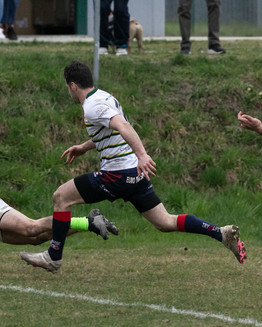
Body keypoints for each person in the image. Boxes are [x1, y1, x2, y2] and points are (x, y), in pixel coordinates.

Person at [19, 61, 247, 273]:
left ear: (72, 85)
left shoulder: (91, 106)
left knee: (61, 197)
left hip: (117, 174)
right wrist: (84, 147)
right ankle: (220, 233)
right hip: (135, 175)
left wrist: (142, 154)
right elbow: (112, 132)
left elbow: (124, 126)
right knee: (165, 222)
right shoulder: (105, 97)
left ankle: (53, 256)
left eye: (67, 88)